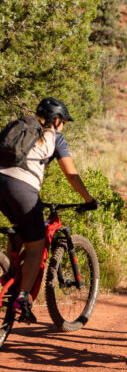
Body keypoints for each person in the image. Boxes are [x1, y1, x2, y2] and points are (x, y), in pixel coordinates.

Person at [0, 97, 97, 321]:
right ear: (56, 120)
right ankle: (23, 298)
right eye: (63, 122)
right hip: (21, 189)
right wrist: (89, 199)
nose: (63, 127)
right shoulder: (55, 138)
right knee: (37, 244)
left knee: (20, 229)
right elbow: (71, 175)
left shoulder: (19, 127)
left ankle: (10, 270)